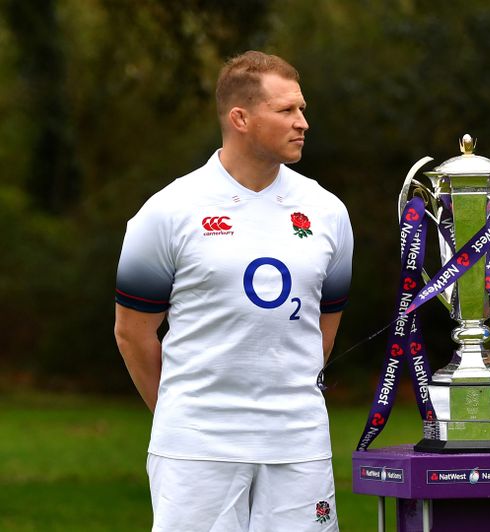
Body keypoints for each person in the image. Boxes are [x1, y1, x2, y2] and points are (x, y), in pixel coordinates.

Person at [114, 51, 352, 531]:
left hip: (298, 443)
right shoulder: (170, 210)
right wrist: (185, 418)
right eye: (286, 111)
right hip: (197, 447)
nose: (302, 122)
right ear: (240, 118)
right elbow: (132, 332)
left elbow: (323, 326)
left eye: (301, 109)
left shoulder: (327, 211)